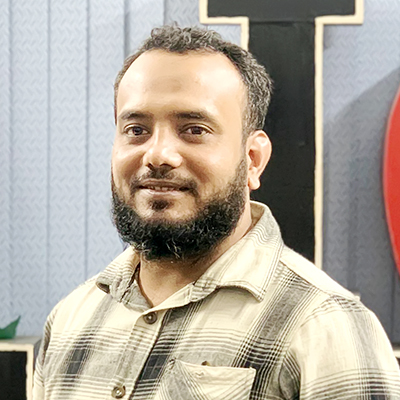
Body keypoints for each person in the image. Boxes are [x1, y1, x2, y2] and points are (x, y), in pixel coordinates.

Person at [33, 25, 400, 400]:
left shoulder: (326, 328)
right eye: (136, 129)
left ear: (252, 159)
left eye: (194, 129)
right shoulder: (70, 321)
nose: (157, 154)